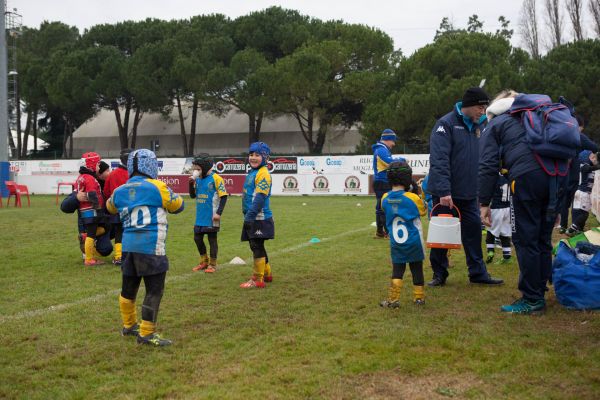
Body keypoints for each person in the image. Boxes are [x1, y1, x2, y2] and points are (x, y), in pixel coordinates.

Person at [479, 90, 570, 314]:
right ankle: (540, 289)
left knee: (525, 238)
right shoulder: (539, 115)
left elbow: (488, 165)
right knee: (542, 237)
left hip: (527, 178)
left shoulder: (497, 122)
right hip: (557, 176)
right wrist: (560, 202)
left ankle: (532, 299)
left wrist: (483, 202)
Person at [426, 87, 503, 286]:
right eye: (480, 106)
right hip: (447, 195)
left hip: (470, 194)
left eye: (485, 107)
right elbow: (439, 159)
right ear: (467, 106)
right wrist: (444, 191)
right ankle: (439, 274)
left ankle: (478, 274)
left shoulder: (484, 125)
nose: (482, 110)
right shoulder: (445, 124)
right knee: (441, 236)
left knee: (473, 235)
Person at [106, 149, 184, 346]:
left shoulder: (120, 190)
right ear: (151, 165)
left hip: (128, 246)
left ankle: (129, 325)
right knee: (154, 290)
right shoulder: (158, 187)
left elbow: (109, 206)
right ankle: (146, 333)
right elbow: (178, 206)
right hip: (151, 245)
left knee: (128, 288)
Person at [379, 161, 427, 308]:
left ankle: (393, 300)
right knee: (416, 268)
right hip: (414, 241)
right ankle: (419, 298)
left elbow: (385, 209)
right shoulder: (412, 198)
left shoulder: (384, 198)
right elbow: (423, 211)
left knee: (397, 270)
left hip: (396, 242)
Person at [240, 142, 274, 288]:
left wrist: (249, 217)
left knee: (256, 246)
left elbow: (259, 198)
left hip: (258, 217)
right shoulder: (253, 172)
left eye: (257, 155)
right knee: (257, 245)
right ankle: (267, 274)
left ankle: (257, 279)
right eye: (251, 154)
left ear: (265, 157)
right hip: (252, 216)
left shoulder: (263, 173)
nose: (253, 158)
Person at [189, 153, 228, 273]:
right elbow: (192, 195)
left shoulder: (216, 178)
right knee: (197, 238)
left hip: (212, 217)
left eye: (198, 169)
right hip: (200, 216)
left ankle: (212, 264)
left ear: (205, 168)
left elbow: (224, 197)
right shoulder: (198, 179)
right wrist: (190, 184)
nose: (195, 171)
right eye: (194, 169)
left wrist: (218, 213)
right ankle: (204, 261)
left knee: (212, 240)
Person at [559, 115, 598, 233]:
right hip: (576, 174)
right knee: (577, 203)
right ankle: (576, 226)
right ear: (579, 126)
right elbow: (594, 147)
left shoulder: (561, 135)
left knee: (564, 201)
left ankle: (563, 225)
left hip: (563, 171)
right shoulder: (579, 137)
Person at [372, 129, 405, 238]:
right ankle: (387, 232)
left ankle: (380, 231)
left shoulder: (382, 149)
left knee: (381, 207)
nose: (394, 144)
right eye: (393, 141)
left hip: (381, 182)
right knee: (384, 207)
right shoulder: (381, 150)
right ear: (387, 139)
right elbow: (389, 162)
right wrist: (402, 159)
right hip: (382, 182)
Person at [76, 152, 106, 266]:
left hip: (84, 211)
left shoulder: (81, 177)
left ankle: (84, 236)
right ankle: (89, 259)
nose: (99, 167)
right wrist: (98, 209)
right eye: (98, 164)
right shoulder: (89, 178)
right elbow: (92, 194)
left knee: (99, 229)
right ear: (92, 164)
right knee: (91, 235)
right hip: (91, 211)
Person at [103, 148, 132, 265]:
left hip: (116, 209)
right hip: (131, 209)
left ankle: (118, 256)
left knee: (119, 232)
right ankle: (129, 256)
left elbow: (106, 192)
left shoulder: (112, 174)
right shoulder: (133, 175)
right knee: (130, 232)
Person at [566, 150, 600, 235]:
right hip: (583, 193)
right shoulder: (584, 166)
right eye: (592, 157)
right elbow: (590, 168)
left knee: (581, 213)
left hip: (582, 193)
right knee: (584, 214)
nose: (594, 159)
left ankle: (578, 230)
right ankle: (571, 229)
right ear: (586, 158)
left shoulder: (587, 165)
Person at [484, 173, 512, 264]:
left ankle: (490, 251)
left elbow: (488, 191)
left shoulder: (494, 176)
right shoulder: (510, 175)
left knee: (490, 230)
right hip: (508, 208)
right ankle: (507, 256)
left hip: (496, 207)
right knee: (504, 233)